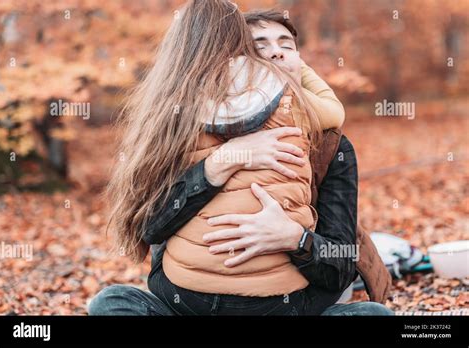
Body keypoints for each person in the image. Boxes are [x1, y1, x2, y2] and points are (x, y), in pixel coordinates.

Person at [89, 3, 393, 316]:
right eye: (259, 45)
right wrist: (218, 165)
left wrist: (294, 238)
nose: (276, 53)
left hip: (285, 308)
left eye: (286, 45)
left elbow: (340, 268)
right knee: (110, 303)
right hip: (187, 306)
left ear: (302, 64)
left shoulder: (331, 147)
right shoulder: (181, 129)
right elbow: (148, 228)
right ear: (231, 61)